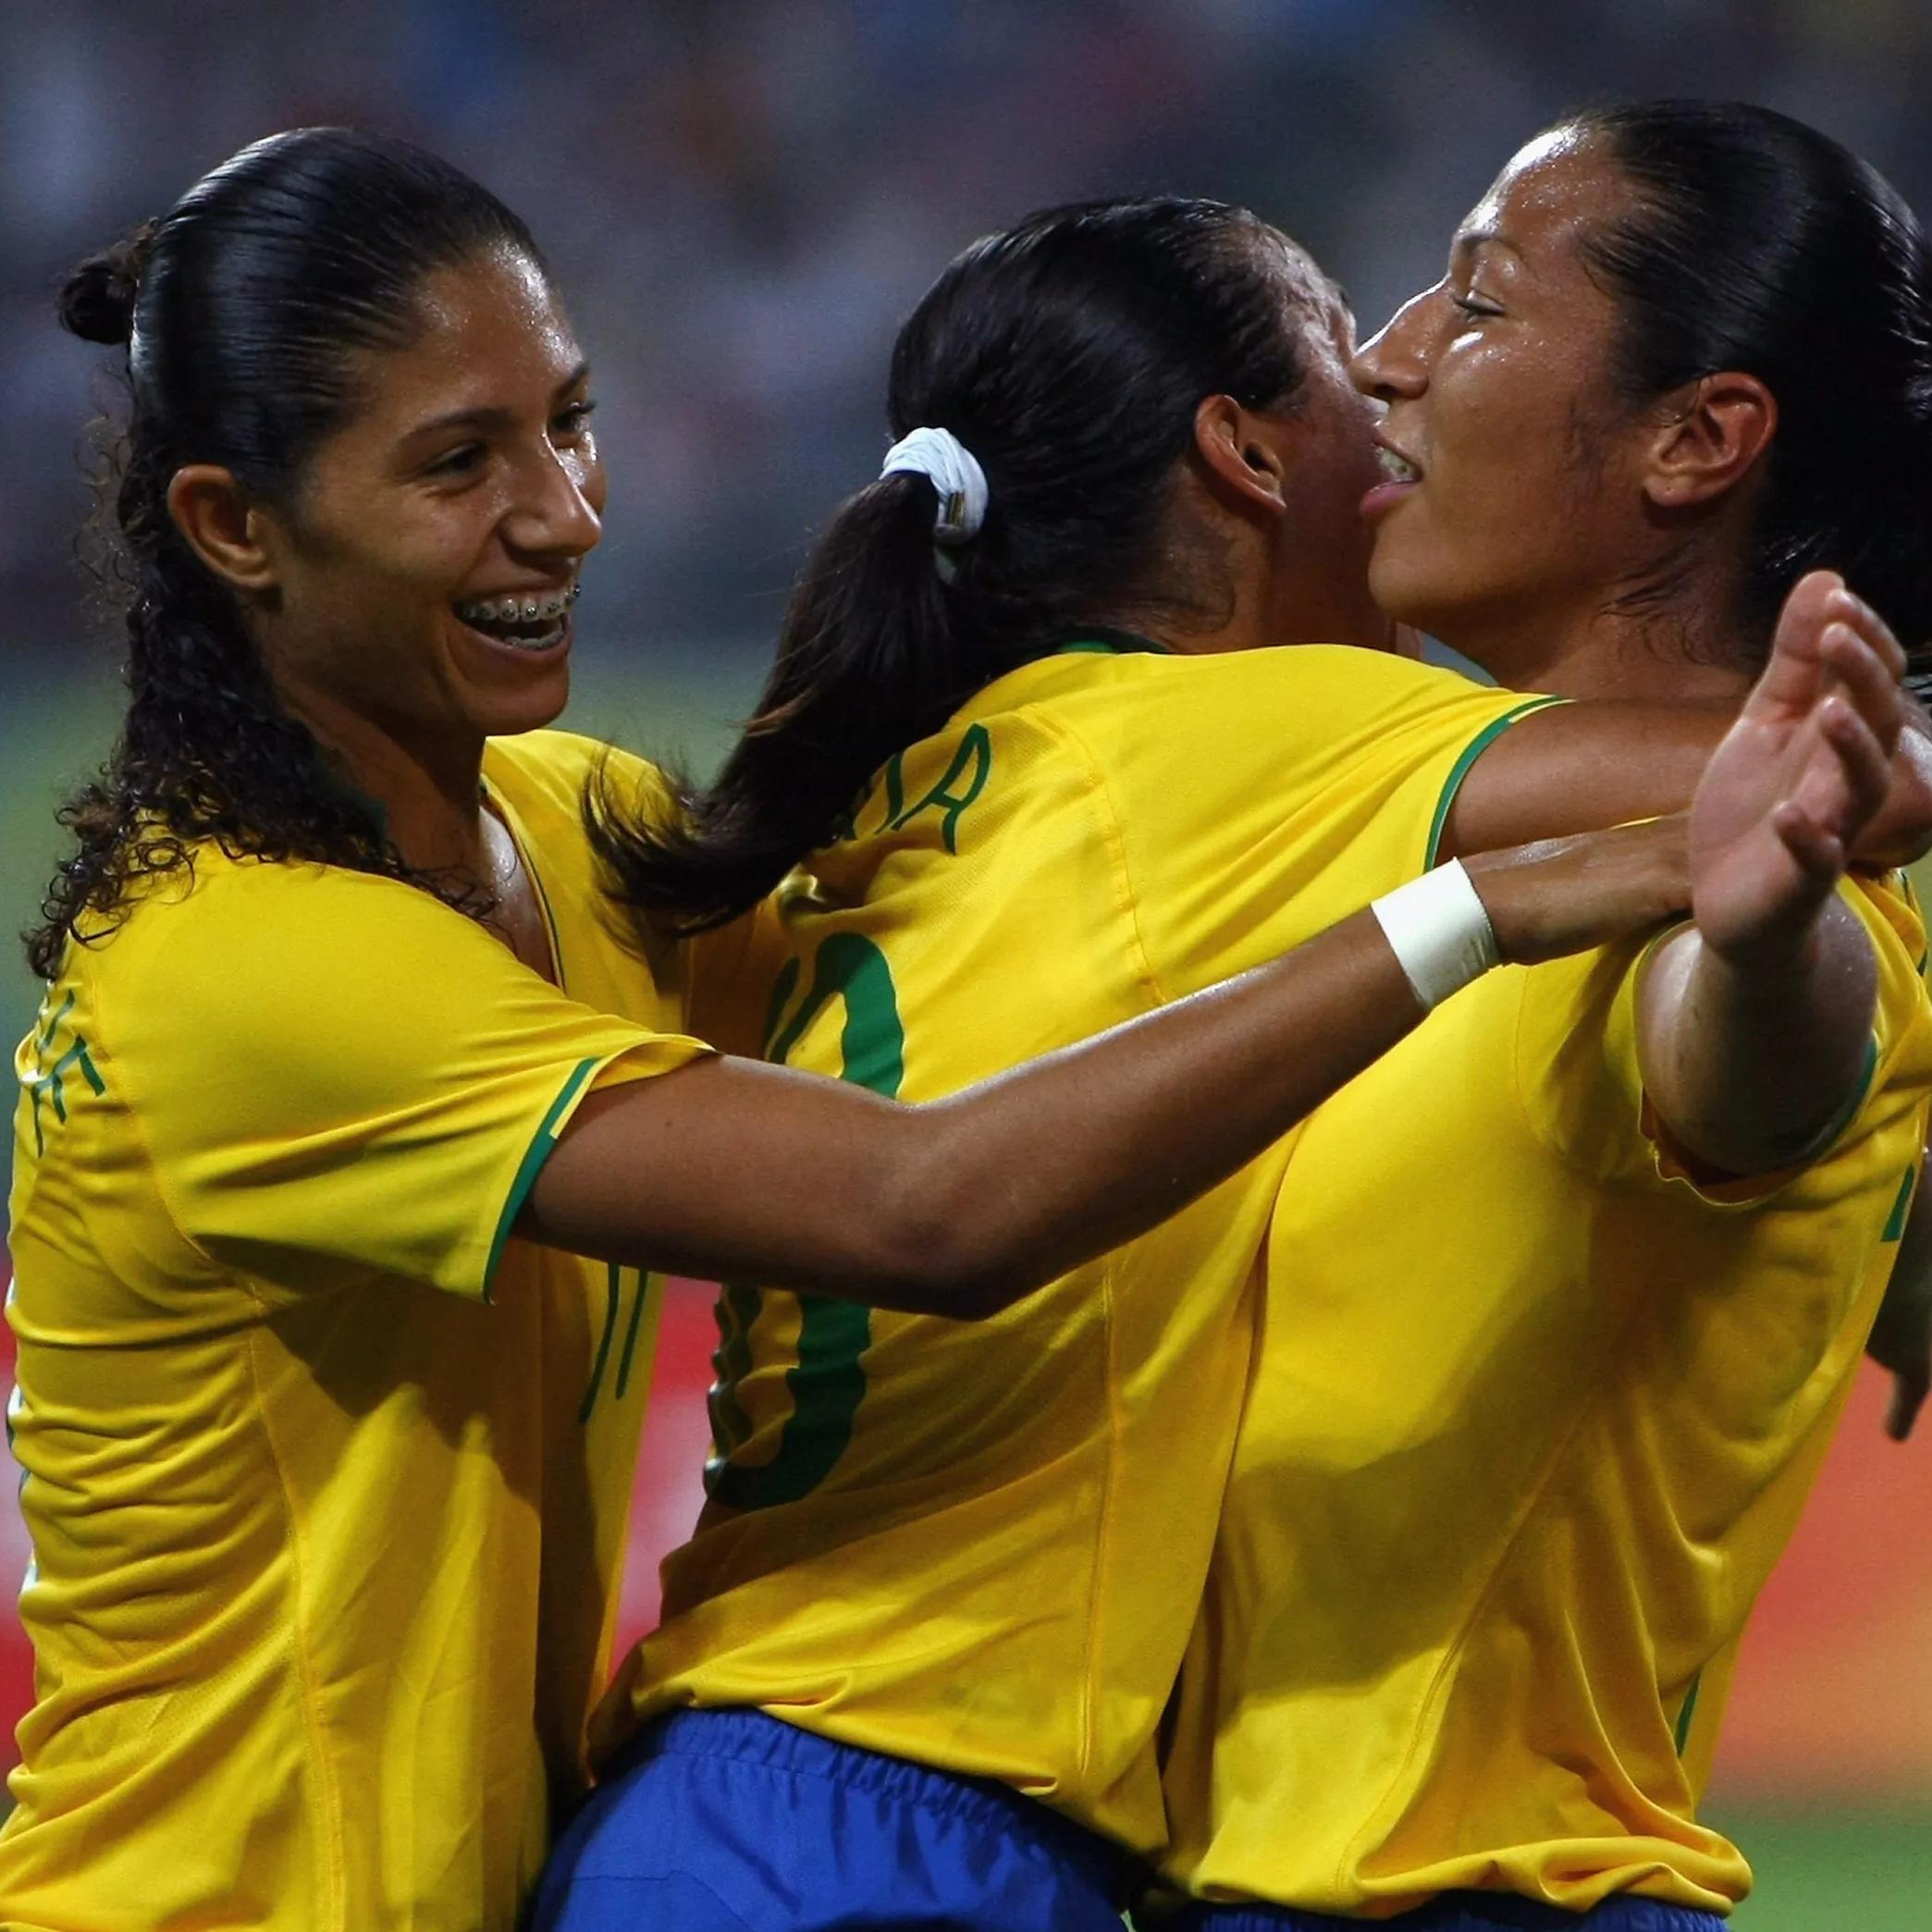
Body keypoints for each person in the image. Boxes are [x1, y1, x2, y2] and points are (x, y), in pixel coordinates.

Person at [0, 133, 1726, 1932]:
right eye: (458, 464)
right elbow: (927, 1206)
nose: (565, 511)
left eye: (567, 423)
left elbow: (970, 975)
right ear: (232, 527)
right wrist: (1468, 908)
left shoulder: (563, 831)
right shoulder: (248, 963)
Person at [534, 197, 1923, 1932]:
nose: (1393, 378)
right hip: (904, 1820)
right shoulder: (1269, 743)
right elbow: (1788, 776)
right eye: (1349, 365)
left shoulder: (925, 782)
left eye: (1463, 312)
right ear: (1249, 463)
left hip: (750, 1786)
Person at [1157, 102, 1932, 1932]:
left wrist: (1756, 936)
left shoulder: (1748, 906)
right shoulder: (1448, 832)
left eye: (1479, 303)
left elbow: (1744, 1063)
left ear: (1696, 437)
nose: (1385, 356)